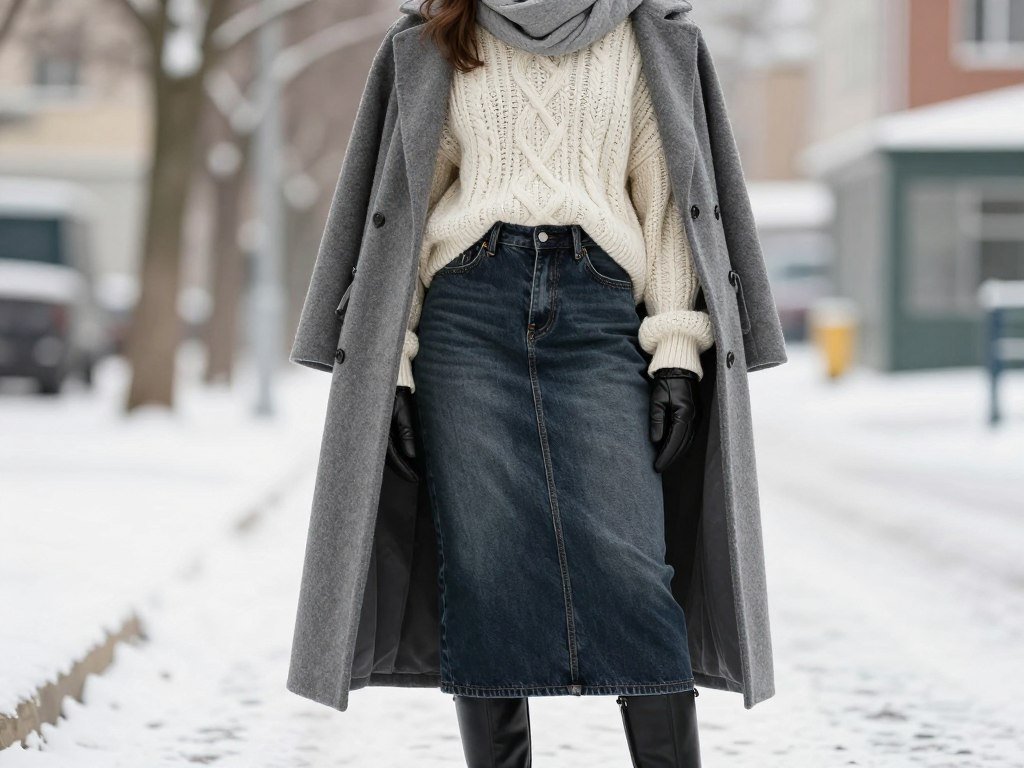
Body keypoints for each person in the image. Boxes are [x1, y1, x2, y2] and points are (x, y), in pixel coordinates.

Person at [387, 1, 710, 765]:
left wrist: (673, 348)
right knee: (485, 567)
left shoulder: (641, 31)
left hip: (598, 303)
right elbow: (406, 200)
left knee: (632, 567)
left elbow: (666, 201)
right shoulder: (443, 24)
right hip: (467, 307)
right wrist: (393, 356)